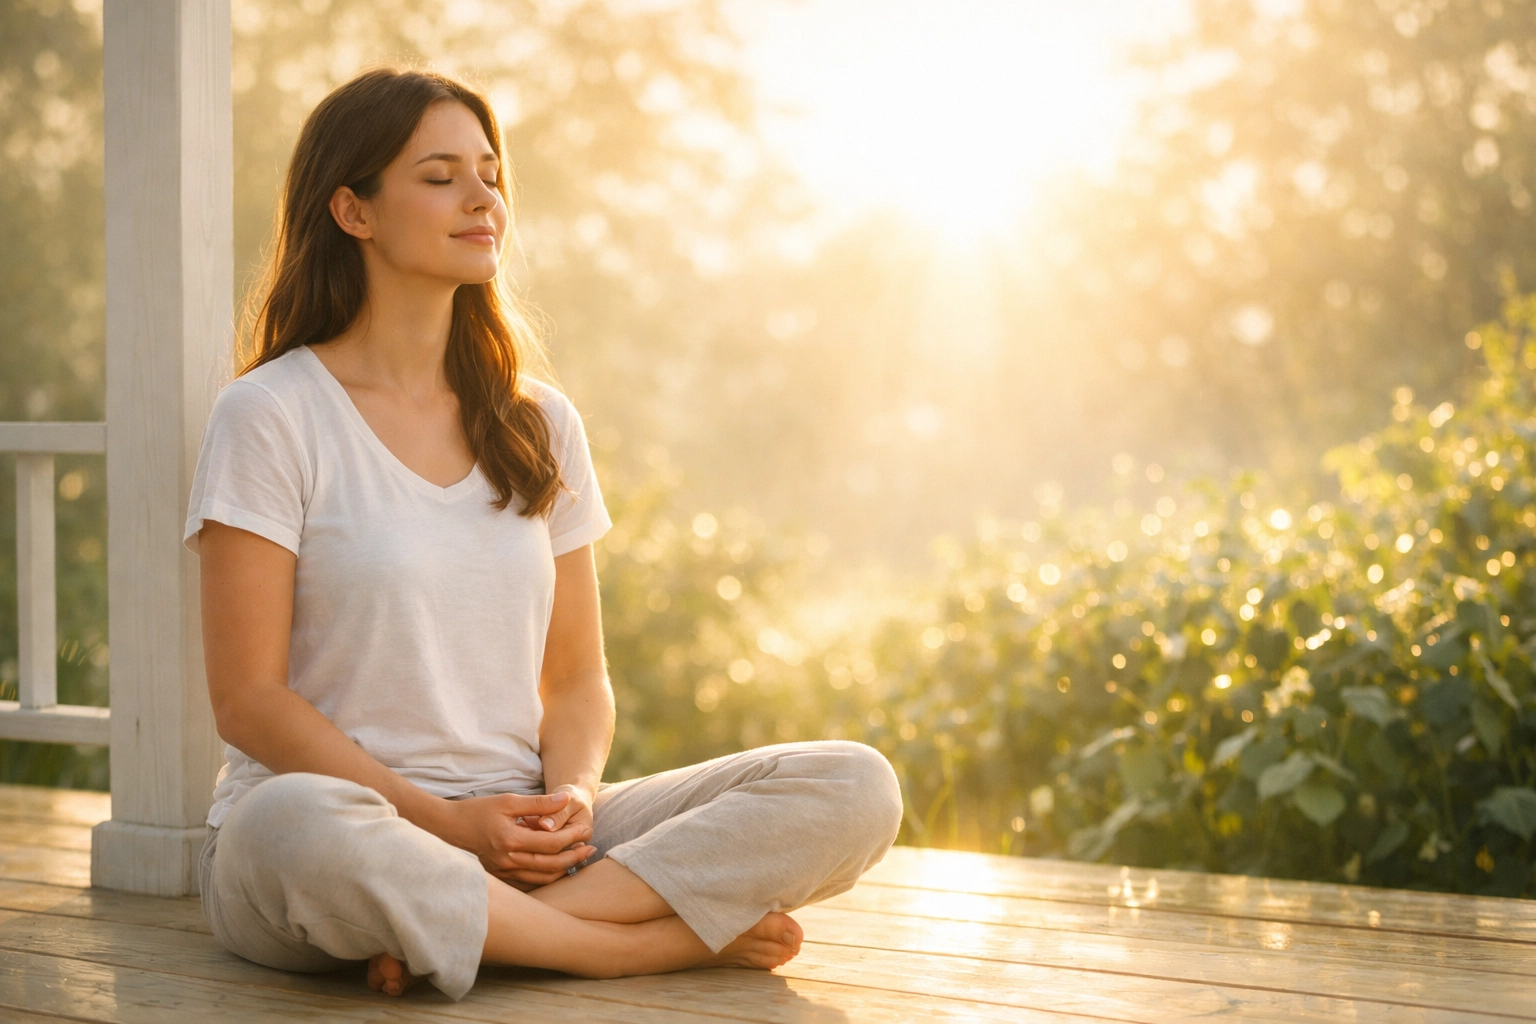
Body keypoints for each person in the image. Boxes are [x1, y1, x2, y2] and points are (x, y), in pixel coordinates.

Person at [182, 67, 903, 1002]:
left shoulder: (539, 423)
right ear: (353, 211)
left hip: (527, 839)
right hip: (344, 835)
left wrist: (573, 800)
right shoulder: (271, 414)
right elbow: (249, 702)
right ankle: (625, 946)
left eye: (490, 175)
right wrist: (448, 825)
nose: (483, 197)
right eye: (440, 176)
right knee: (292, 824)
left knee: (853, 785)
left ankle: (492, 930)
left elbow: (576, 681)